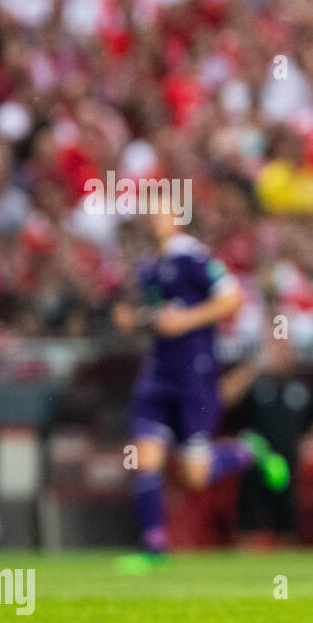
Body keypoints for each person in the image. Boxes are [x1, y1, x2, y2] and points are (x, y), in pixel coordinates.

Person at [113, 202, 288, 571]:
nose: (153, 218)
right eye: (150, 212)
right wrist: (136, 319)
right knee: (146, 459)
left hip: (194, 372)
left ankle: (248, 450)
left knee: (196, 475)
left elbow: (232, 298)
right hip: (157, 373)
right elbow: (162, 317)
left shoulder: (193, 256)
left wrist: (188, 320)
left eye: (160, 212)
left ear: (176, 217)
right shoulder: (149, 266)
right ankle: (155, 549)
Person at [220, 328, 313, 548]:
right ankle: (244, 575)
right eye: (277, 348)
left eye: (287, 348)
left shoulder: (302, 385)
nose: (283, 353)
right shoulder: (255, 381)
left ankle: (287, 577)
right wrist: (254, 366)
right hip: (254, 461)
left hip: (288, 464)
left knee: (287, 525)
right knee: (249, 524)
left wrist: (312, 439)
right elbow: (224, 396)